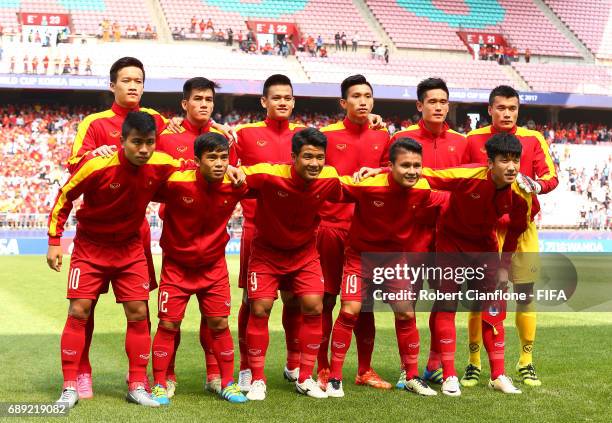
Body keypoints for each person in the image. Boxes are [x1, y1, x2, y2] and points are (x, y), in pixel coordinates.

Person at [47, 112, 181, 409]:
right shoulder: (97, 164)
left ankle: (136, 384)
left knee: (138, 312)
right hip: (90, 248)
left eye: (149, 143)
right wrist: (55, 241)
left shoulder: (161, 163)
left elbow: (193, 171)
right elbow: (65, 196)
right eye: (136, 142)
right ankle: (70, 385)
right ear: (122, 141)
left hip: (130, 249)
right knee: (79, 310)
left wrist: (232, 172)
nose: (143, 149)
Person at [326, 138, 444, 398]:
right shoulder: (368, 185)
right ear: (391, 166)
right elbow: (332, 185)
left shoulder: (423, 187)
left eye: (417, 165)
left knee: (405, 314)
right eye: (405, 165)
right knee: (349, 311)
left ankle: (412, 376)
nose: (412, 171)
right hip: (359, 258)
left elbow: (451, 192)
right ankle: (335, 377)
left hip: (394, 260)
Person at [421, 132, 537, 396]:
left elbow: (518, 229)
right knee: (447, 303)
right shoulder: (467, 174)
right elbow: (420, 174)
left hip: (485, 246)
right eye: (504, 160)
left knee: (494, 306)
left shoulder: (522, 191)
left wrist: (505, 266)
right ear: (490, 162)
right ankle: (449, 374)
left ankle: (497, 374)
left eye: (516, 160)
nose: (511, 166)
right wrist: (380, 171)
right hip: (450, 242)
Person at [461, 85, 557, 388]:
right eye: (501, 107)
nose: (507, 113)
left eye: (512, 108)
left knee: (525, 297)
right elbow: (462, 176)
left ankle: (526, 361)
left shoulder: (533, 139)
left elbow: (550, 177)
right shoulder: (473, 140)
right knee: (480, 299)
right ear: (490, 110)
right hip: (485, 232)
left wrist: (536, 185)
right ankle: (474, 362)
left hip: (522, 229)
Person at [241, 128, 343, 401]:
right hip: (266, 254)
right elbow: (233, 176)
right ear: (293, 157)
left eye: (320, 157)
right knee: (259, 308)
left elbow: (354, 192)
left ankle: (304, 376)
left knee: (314, 306)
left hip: (304, 254)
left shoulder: (329, 178)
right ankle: (257, 379)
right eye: (308, 156)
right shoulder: (268, 174)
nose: (314, 163)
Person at [150, 133, 248, 405]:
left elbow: (265, 175)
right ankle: (159, 383)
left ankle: (227, 382)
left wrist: (234, 169)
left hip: (213, 267)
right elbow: (145, 178)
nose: (219, 163)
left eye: (223, 158)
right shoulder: (176, 182)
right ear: (197, 161)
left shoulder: (236, 183)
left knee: (219, 324)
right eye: (212, 158)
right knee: (168, 324)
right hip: (177, 267)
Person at [387, 78, 467, 388]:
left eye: (443, 102)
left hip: (449, 234)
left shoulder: (463, 142)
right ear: (420, 105)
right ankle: (408, 368)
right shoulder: (401, 138)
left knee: (447, 301)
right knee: (406, 304)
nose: (438, 107)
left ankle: (435, 363)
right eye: (432, 102)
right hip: (410, 234)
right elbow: (388, 178)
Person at [230, 74, 307, 392]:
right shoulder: (245, 135)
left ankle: (293, 363)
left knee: (296, 301)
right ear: (264, 101)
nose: (283, 102)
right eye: (276, 97)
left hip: (298, 234)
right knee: (253, 302)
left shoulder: (305, 136)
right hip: (257, 231)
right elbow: (231, 176)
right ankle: (247, 367)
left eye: (288, 97)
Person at [316, 75, 393, 393]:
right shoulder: (325, 135)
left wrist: (380, 170)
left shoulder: (382, 134)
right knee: (326, 301)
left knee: (365, 305)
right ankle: (321, 368)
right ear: (342, 103)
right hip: (330, 229)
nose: (363, 101)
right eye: (356, 96)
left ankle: (364, 369)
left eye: (368, 96)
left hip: (368, 233)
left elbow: (397, 171)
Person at [155, 77, 226, 396]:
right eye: (198, 99)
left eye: (209, 100)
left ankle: (215, 374)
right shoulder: (166, 138)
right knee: (171, 320)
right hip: (178, 244)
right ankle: (166, 375)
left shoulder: (225, 138)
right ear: (185, 103)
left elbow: (233, 180)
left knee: (214, 319)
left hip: (212, 245)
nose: (204, 104)